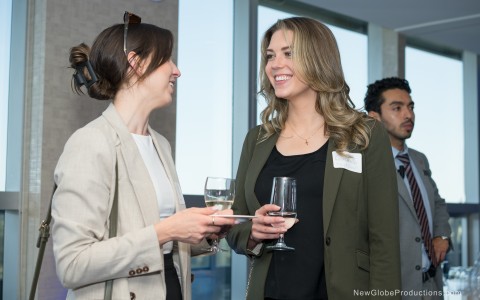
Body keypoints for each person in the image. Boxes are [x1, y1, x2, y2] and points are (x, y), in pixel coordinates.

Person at [51, 12, 235, 300]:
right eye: (167, 60)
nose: (177, 70)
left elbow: (164, 242)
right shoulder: (90, 143)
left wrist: (208, 232)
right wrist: (165, 231)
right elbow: (72, 264)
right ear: (136, 63)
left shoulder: (160, 144)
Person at [226, 17, 401, 300]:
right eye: (270, 56)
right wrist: (253, 232)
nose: (274, 64)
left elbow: (385, 240)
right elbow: (235, 224)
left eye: (289, 53)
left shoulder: (364, 135)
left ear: (318, 59)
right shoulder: (257, 140)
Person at [364, 77, 452, 299]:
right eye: (397, 108)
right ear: (374, 117)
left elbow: (437, 203)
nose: (408, 115)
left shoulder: (420, 160)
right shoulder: (365, 165)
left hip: (432, 285)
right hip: (395, 288)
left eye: (410, 107)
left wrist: (442, 234)